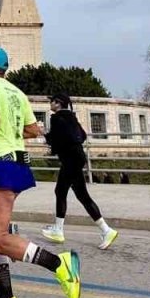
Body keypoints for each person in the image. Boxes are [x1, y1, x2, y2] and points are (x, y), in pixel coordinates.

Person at [0, 47, 80, 298]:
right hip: (9, 163)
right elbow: (32, 129)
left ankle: (60, 264)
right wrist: (8, 133)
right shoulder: (17, 93)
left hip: (0, 163)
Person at [41, 93, 118, 250]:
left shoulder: (56, 118)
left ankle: (58, 230)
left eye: (52, 101)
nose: (50, 104)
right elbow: (81, 136)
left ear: (58, 103)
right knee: (82, 196)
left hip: (70, 160)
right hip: (78, 157)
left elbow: (54, 141)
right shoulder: (72, 117)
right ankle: (106, 230)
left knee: (60, 191)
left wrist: (42, 132)